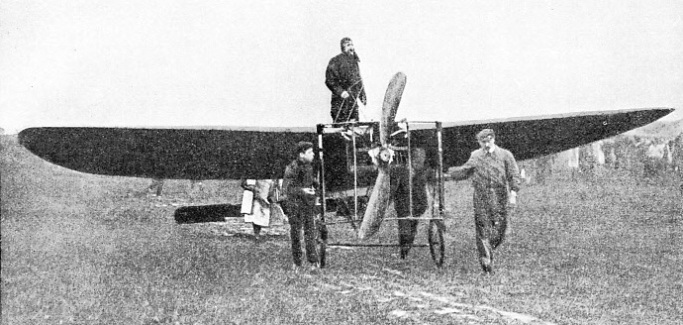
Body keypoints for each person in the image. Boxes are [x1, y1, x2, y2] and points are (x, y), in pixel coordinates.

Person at [448, 129, 521, 274]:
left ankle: (489, 246)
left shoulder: (505, 155)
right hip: (481, 196)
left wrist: (513, 194)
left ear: (493, 139)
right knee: (482, 227)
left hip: (499, 195)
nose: (486, 145)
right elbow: (465, 170)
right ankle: (486, 263)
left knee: (500, 228)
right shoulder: (475, 155)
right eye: (483, 142)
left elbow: (513, 175)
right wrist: (448, 173)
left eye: (489, 141)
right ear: (479, 142)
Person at [282, 141, 320, 270]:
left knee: (310, 233)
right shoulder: (291, 168)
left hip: (307, 205)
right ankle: (297, 262)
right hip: (295, 206)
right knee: (296, 234)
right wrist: (302, 191)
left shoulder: (309, 167)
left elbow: (311, 182)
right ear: (301, 154)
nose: (313, 154)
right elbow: (287, 189)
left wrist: (316, 185)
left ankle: (313, 261)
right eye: (310, 152)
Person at [325, 37, 367, 123]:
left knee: (354, 126)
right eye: (348, 45)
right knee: (340, 126)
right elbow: (329, 80)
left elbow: (358, 81)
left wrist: (363, 96)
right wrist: (341, 92)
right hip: (340, 101)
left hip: (353, 101)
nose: (351, 47)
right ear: (343, 48)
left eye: (352, 45)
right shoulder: (335, 61)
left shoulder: (354, 62)